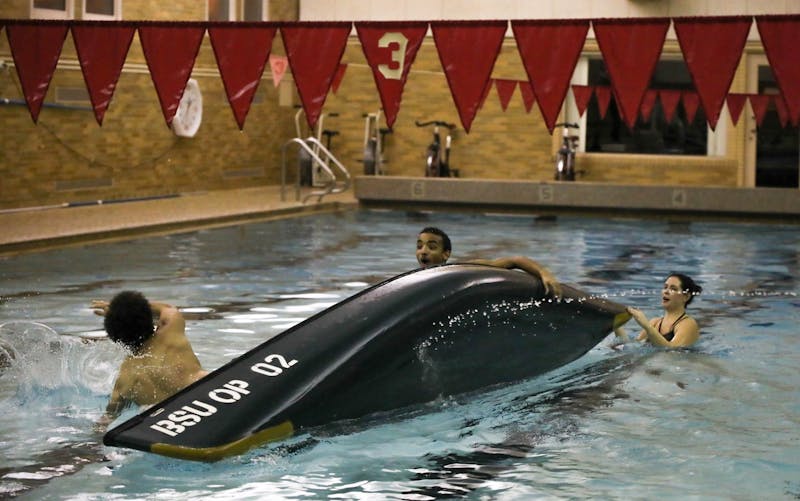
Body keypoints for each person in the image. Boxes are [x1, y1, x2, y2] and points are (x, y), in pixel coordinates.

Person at [91, 291, 208, 427]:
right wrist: (123, 309)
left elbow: (107, 419)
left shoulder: (124, 380)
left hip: (172, 423)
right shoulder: (170, 333)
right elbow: (166, 308)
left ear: (114, 338)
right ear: (148, 317)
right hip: (205, 396)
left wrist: (118, 315)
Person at [416, 226, 561, 297]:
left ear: (445, 254)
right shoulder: (412, 280)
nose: (423, 251)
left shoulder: (461, 269)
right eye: (419, 246)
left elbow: (514, 260)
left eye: (432, 247)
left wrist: (544, 273)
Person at [615, 273, 702, 348]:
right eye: (665, 287)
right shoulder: (655, 323)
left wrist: (646, 325)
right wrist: (616, 324)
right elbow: (632, 346)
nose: (666, 291)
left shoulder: (688, 324)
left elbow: (672, 351)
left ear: (686, 297)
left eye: (673, 289)